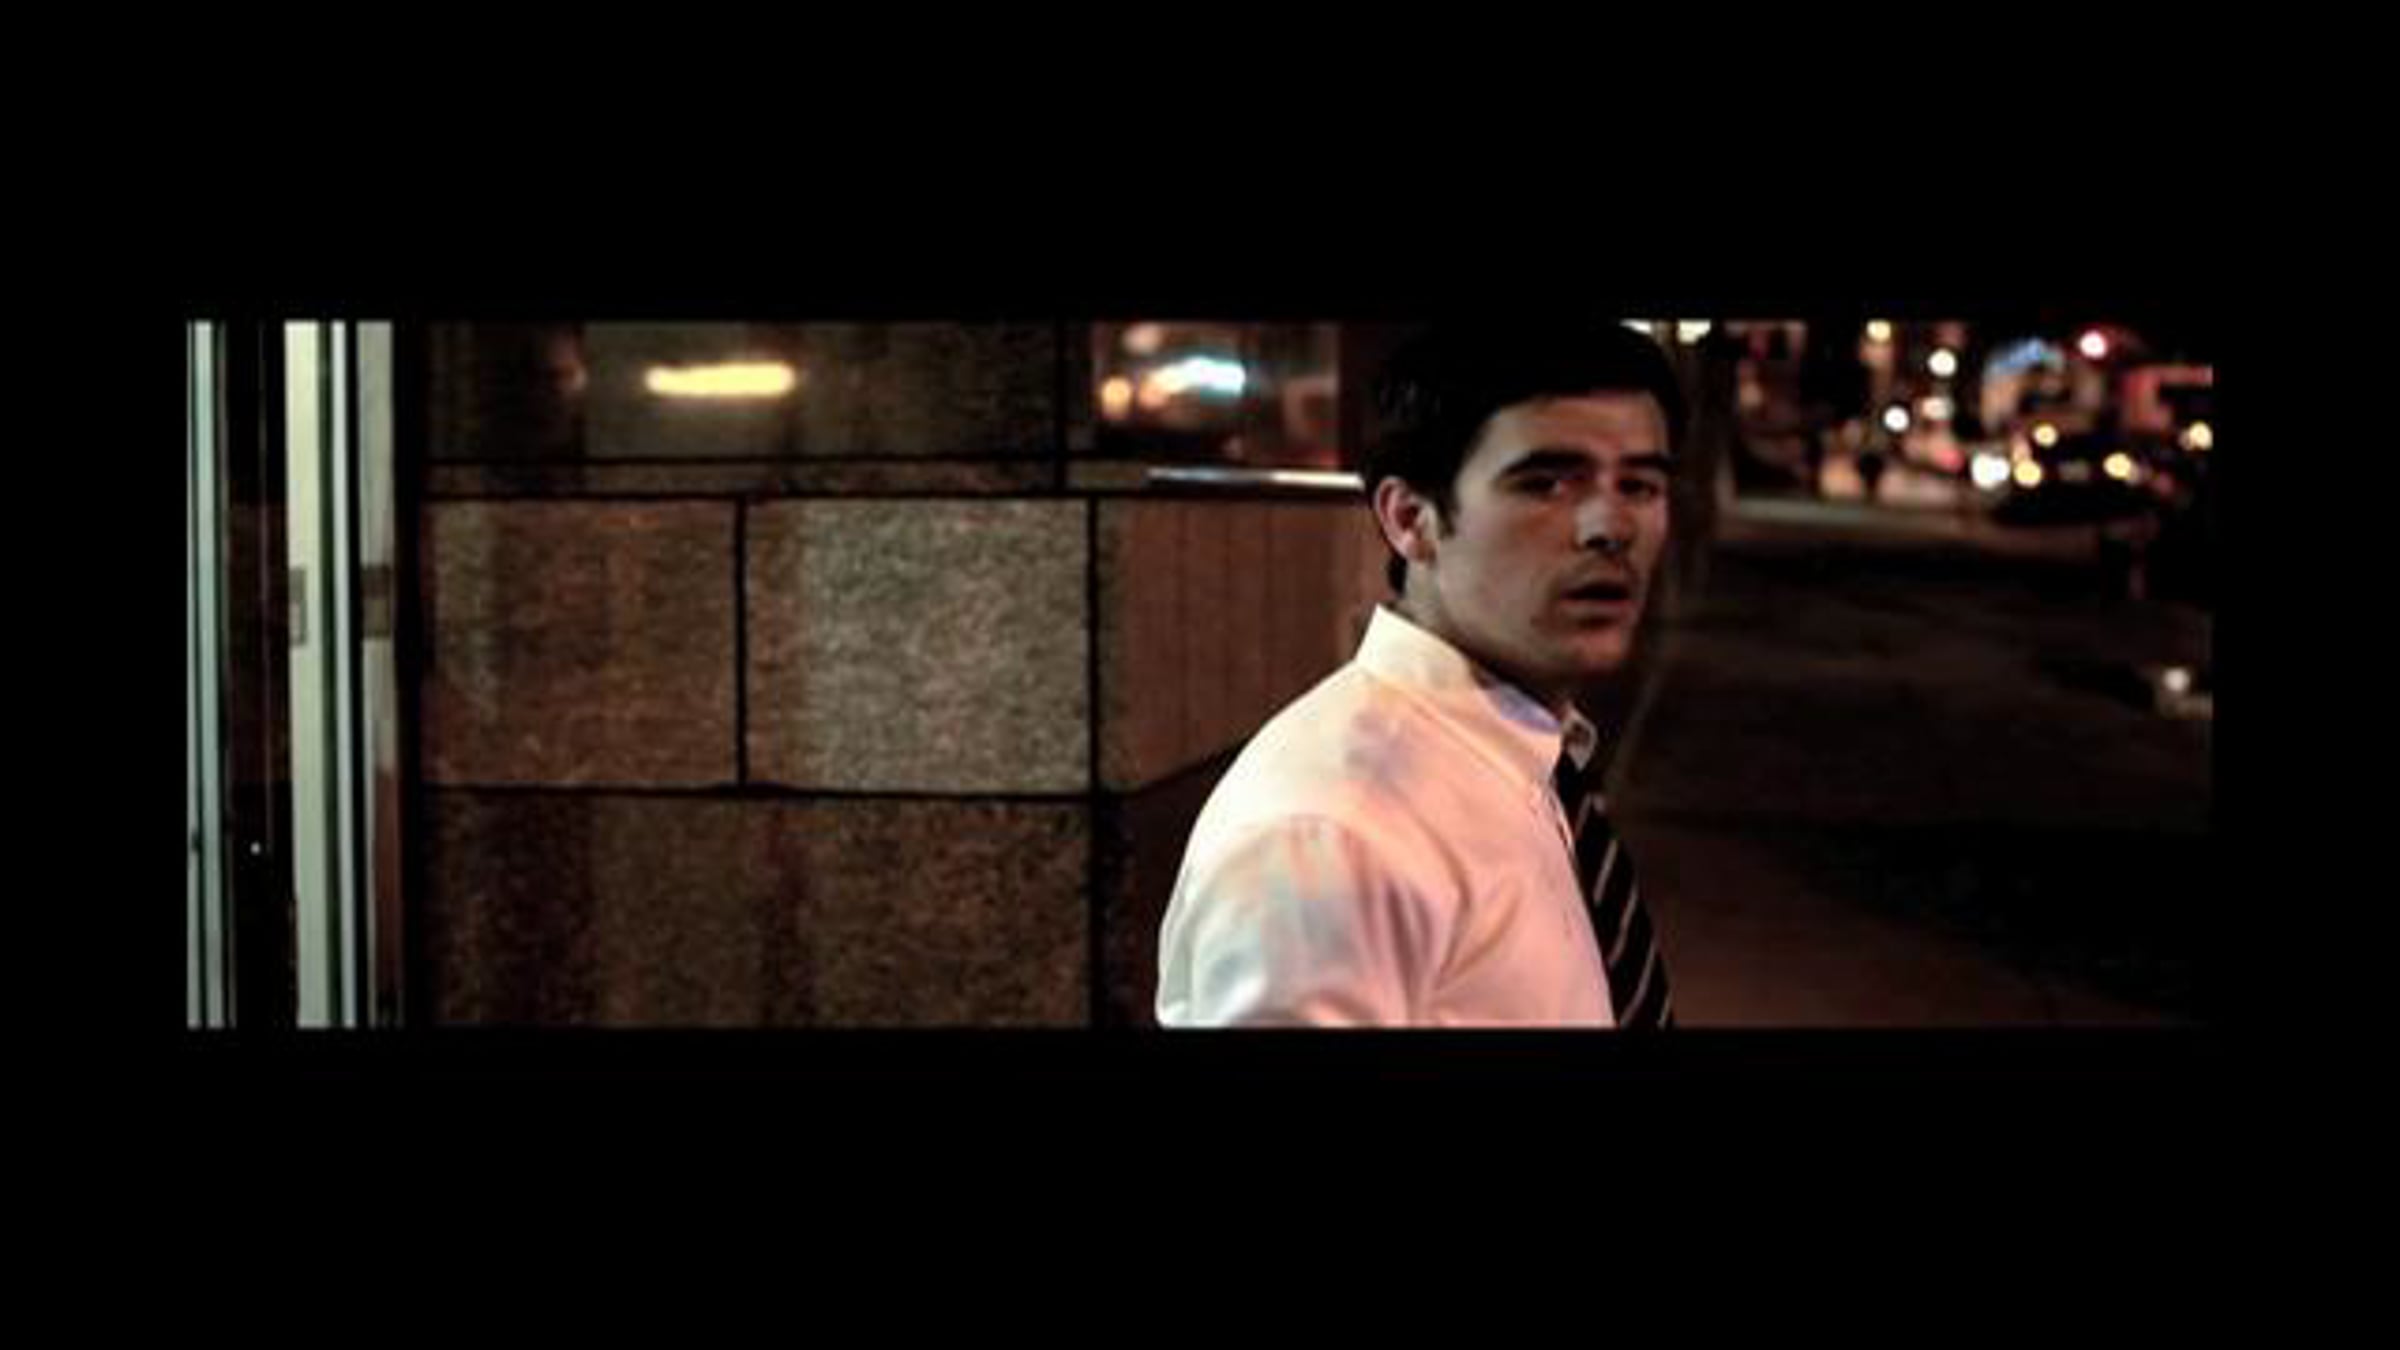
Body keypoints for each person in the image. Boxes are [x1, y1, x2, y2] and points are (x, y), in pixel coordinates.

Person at [1155, 321, 1686, 1027]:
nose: (1611, 527)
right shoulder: (1336, 834)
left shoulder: (1532, 756)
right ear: (1411, 519)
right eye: (1548, 484)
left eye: (1640, 485)